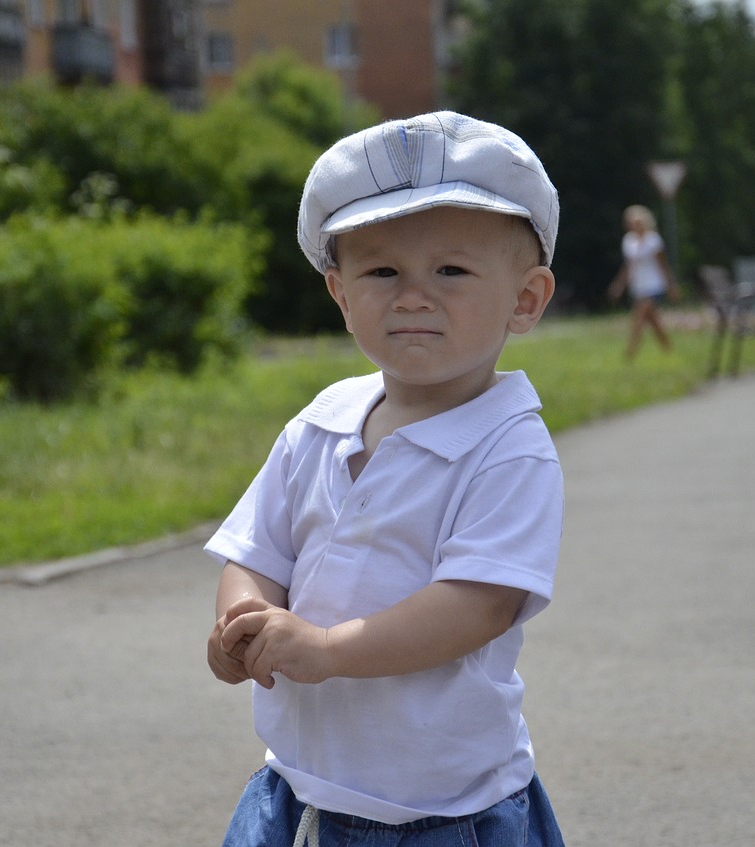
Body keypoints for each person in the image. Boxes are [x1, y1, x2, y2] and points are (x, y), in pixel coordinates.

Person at [204, 111, 566, 847]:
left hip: (441, 809)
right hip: (297, 789)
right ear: (340, 293)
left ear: (525, 299)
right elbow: (257, 549)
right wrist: (243, 621)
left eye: (451, 270)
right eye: (382, 271)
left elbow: (480, 603)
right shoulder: (320, 421)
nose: (412, 295)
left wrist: (330, 648)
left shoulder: (508, 447)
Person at [608, 204, 675, 359]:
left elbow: (663, 265)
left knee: (639, 316)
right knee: (653, 321)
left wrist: (671, 286)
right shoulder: (628, 241)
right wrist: (619, 285)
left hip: (654, 285)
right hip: (638, 286)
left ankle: (631, 351)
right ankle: (668, 348)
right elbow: (628, 266)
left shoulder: (654, 241)